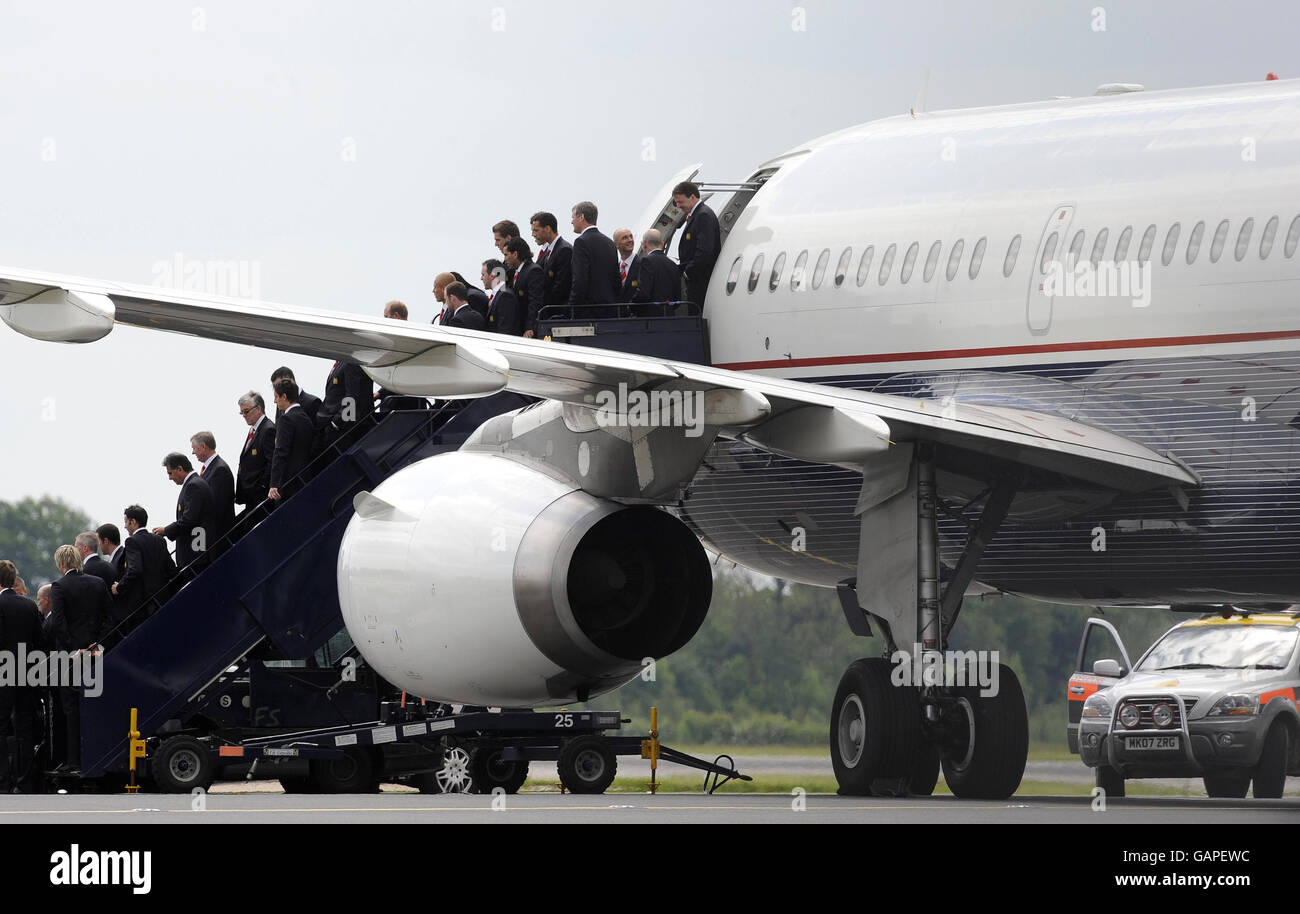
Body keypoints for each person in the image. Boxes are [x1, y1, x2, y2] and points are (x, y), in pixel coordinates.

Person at [47, 544, 111, 772]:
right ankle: (99, 754)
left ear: (61, 564)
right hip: (97, 654)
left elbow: (58, 623)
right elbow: (109, 616)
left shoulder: (59, 586)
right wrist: (97, 644)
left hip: (71, 657)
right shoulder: (98, 583)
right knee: (96, 704)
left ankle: (75, 760)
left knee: (71, 708)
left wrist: (75, 649)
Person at [0, 560, 44, 792]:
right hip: (27, 674)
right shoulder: (29, 606)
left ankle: (3, 781)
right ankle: (25, 780)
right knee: (24, 729)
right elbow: (40, 642)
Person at [114, 505, 177, 626]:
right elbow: (171, 570)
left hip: (141, 608)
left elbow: (135, 570)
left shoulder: (131, 541)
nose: (125, 526)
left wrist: (119, 587)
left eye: (126, 522)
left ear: (133, 522)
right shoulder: (160, 540)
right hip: (163, 601)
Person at [154, 453, 215, 569]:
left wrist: (166, 530)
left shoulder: (194, 486)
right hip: (197, 553)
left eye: (170, 473)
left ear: (180, 469)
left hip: (197, 554)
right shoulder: (194, 483)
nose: (170, 478)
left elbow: (189, 520)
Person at [672, 180, 721, 306]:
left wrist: (688, 272)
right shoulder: (697, 215)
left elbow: (705, 251)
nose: (678, 206)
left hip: (701, 281)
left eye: (680, 202)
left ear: (692, 197)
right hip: (697, 279)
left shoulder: (703, 215)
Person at [567, 201, 620, 313]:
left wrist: (571, 306)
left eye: (573, 217)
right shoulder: (610, 242)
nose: (571, 221)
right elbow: (616, 279)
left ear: (581, 217)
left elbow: (580, 279)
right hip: (610, 309)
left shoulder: (581, 242)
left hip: (588, 311)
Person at [268, 378, 316, 501]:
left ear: (284, 396)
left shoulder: (286, 419)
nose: (274, 401)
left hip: (289, 484)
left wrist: (274, 484)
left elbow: (280, 452)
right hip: (305, 477)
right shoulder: (304, 417)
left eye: (276, 397)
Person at [529, 212, 573, 331]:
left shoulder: (564, 250)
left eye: (536, 230)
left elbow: (561, 287)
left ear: (548, 228)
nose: (533, 234)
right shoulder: (547, 252)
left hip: (557, 314)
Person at [317, 360, 375, 445]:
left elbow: (353, 396)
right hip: (334, 425)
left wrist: (337, 423)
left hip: (345, 430)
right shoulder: (341, 362)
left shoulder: (351, 363)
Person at [191, 431, 236, 539]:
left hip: (218, 535)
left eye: (194, 448)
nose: (193, 452)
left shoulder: (219, 469)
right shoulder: (212, 468)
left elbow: (217, 505)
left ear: (203, 446)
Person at [235, 391, 276, 511]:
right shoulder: (254, 429)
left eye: (246, 411)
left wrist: (261, 486)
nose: (244, 415)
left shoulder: (268, 429)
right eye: (241, 412)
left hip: (261, 494)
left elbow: (272, 461)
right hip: (251, 495)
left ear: (258, 408)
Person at [504, 238, 545, 336]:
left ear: (515, 254)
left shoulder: (533, 271)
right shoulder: (513, 272)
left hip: (528, 329)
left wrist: (530, 327)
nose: (505, 259)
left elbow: (535, 302)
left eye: (506, 255)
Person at [632, 228, 682, 308]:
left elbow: (644, 293)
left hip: (650, 316)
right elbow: (677, 298)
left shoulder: (646, 261)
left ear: (644, 244)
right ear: (662, 244)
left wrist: (631, 306)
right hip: (670, 316)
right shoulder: (673, 264)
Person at [483, 259, 524, 336]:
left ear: (492, 275)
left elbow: (505, 330)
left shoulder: (505, 296)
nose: (481, 278)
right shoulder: (499, 295)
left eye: (483, 275)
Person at [614, 228, 640, 303]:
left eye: (631, 236)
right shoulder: (614, 267)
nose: (630, 240)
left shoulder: (642, 265)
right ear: (616, 244)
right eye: (624, 238)